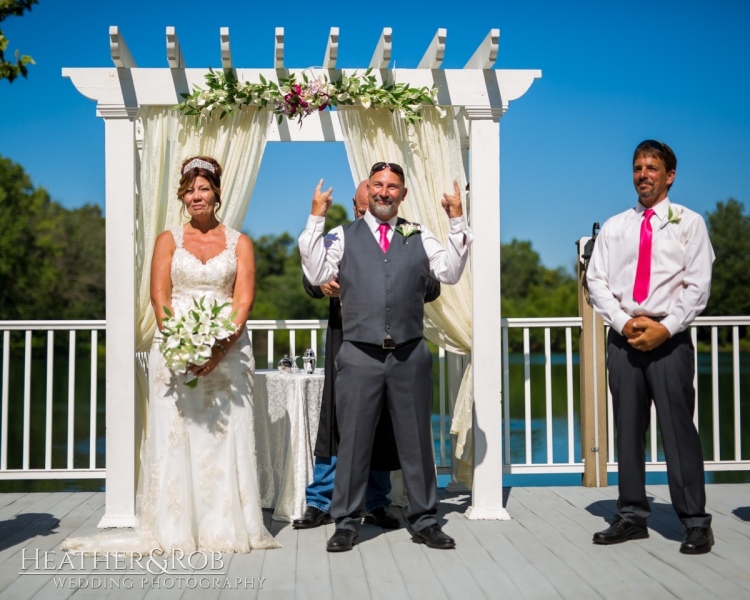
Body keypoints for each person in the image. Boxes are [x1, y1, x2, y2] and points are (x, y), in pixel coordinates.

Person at [64, 156, 279, 554]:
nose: (196, 196)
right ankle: (176, 527)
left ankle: (224, 526)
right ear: (183, 196)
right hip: (176, 349)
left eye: (203, 189)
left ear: (216, 193)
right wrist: (180, 342)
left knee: (221, 435)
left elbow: (243, 299)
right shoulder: (169, 240)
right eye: (189, 190)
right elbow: (159, 296)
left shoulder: (240, 243)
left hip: (228, 352)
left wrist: (217, 349)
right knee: (177, 437)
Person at [298, 162, 472, 552]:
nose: (384, 192)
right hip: (359, 353)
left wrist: (457, 220)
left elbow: (450, 272)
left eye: (393, 186)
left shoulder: (419, 234)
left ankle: (426, 519)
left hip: (410, 353)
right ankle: (345, 521)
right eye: (378, 184)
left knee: (416, 443)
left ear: (403, 194)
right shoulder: (342, 236)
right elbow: (314, 272)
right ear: (368, 191)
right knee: (354, 441)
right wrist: (316, 217)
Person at [586, 140, 715, 554]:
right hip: (624, 339)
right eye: (638, 167)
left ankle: (695, 522)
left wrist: (668, 327)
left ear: (669, 175)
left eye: (652, 168)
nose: (644, 174)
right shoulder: (615, 226)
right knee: (627, 431)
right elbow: (596, 281)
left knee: (678, 431)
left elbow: (698, 285)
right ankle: (631, 516)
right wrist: (623, 323)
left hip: (669, 339)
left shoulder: (689, 223)